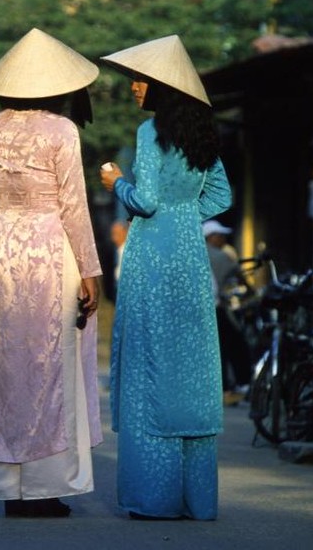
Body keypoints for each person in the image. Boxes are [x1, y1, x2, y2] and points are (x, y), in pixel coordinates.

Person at [0, 28, 103, 519]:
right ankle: (46, 486)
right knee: (52, 364)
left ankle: (9, 485)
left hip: (5, 252)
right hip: (49, 252)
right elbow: (74, 206)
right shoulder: (61, 131)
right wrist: (91, 270)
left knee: (7, 366)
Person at [99, 34, 233, 521]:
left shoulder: (150, 133)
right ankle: (197, 499)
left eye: (141, 80)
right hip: (190, 256)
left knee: (148, 367)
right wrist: (183, 215)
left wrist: (118, 183)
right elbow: (220, 197)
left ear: (162, 88)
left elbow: (146, 202)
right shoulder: (201, 135)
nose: (135, 88)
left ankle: (154, 499)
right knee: (191, 370)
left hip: (152, 257)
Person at [203, 220, 252, 403]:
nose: (223, 238)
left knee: (217, 350)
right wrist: (251, 291)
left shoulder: (193, 253)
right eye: (219, 235)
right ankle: (237, 385)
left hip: (202, 310)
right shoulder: (220, 256)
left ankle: (222, 388)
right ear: (211, 237)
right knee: (232, 345)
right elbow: (238, 277)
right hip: (216, 307)